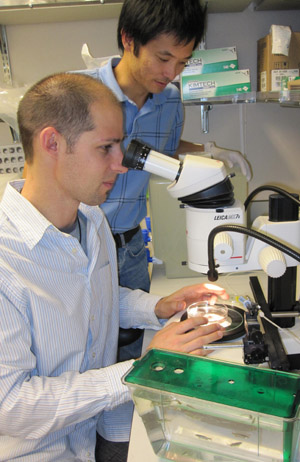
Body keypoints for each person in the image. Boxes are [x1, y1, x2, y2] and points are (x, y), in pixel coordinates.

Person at [0, 72, 229, 462]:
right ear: (52, 142)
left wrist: (156, 307)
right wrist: (143, 367)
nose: (120, 165)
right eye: (105, 148)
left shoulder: (91, 219)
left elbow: (90, 295)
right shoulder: (8, 260)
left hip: (93, 433)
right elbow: (12, 407)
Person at [82, 0, 251, 360]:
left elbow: (163, 151)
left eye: (183, 61)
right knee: (87, 349)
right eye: (163, 58)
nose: (172, 72)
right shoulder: (81, 94)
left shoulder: (170, 100)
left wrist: (209, 150)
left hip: (129, 249)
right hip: (81, 245)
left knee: (134, 346)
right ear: (129, 39)